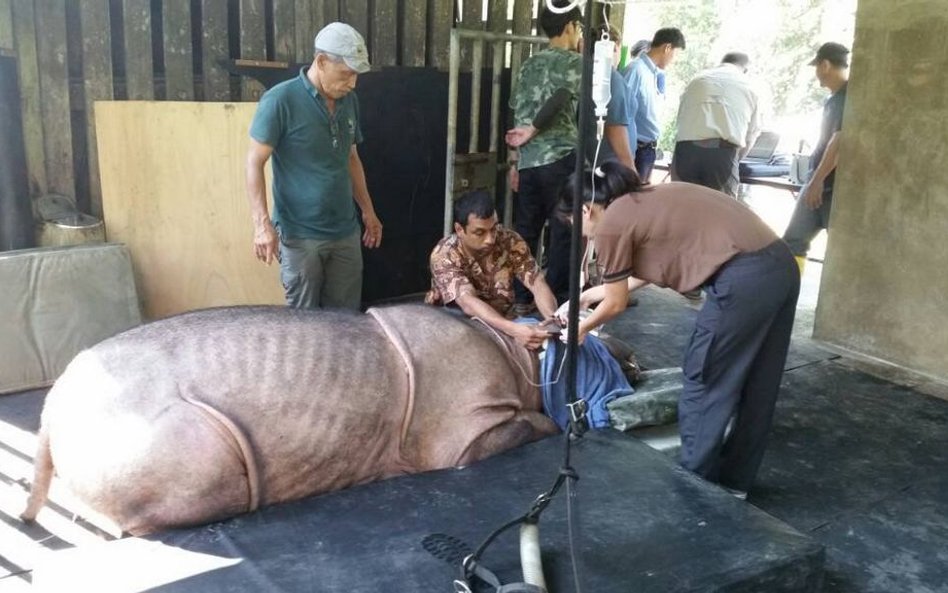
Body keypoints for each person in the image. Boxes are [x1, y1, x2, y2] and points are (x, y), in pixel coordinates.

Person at [560, 161, 800, 496]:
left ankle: (692, 491)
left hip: (742, 279)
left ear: (585, 210)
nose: (581, 234)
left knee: (704, 382)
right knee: (758, 384)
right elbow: (649, 269)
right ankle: (735, 486)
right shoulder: (645, 198)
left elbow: (616, 305)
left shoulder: (612, 223)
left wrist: (579, 329)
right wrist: (588, 296)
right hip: (779, 267)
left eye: (575, 224)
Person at [246, 22, 383, 310]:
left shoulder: (350, 101)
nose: (353, 83)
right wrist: (261, 225)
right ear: (321, 62)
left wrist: (368, 211)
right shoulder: (280, 100)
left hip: (345, 231)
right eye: (346, 74)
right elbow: (255, 162)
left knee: (345, 321)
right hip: (300, 235)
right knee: (305, 327)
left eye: (356, 75)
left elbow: (351, 158)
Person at [506, 0, 583, 310]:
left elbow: (517, 116)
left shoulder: (528, 64)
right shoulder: (574, 62)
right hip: (559, 157)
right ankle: (558, 301)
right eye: (577, 28)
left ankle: (522, 298)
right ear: (570, 27)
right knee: (564, 230)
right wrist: (535, 131)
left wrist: (515, 162)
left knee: (526, 231)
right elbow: (562, 96)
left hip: (528, 163)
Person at [425, 190, 558, 351]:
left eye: (494, 229)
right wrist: (513, 329)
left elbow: (537, 282)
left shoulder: (510, 241)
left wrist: (554, 321)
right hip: (457, 327)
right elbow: (468, 303)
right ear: (459, 229)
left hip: (503, 321)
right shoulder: (444, 254)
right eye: (479, 232)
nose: (490, 239)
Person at [783, 42, 850, 272]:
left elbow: (838, 141)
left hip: (830, 187)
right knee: (793, 242)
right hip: (818, 182)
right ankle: (786, 295)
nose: (817, 75)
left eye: (817, 68)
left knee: (842, 252)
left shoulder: (847, 98)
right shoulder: (834, 98)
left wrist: (817, 181)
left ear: (825, 65)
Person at [671, 52, 761, 197]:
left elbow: (681, 119)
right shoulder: (748, 86)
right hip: (722, 153)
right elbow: (751, 136)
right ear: (745, 69)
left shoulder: (697, 79)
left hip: (686, 151)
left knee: (682, 206)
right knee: (721, 211)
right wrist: (735, 161)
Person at [624, 27, 686, 182]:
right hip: (636, 149)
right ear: (667, 48)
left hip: (647, 149)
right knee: (631, 200)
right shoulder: (636, 70)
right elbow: (621, 111)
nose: (675, 59)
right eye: (676, 54)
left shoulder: (654, 74)